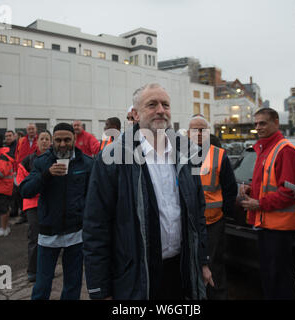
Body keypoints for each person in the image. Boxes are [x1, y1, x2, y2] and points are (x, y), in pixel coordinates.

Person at [83, 83, 212, 300]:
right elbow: (96, 226)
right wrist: (100, 289)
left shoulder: (186, 154)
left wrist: (202, 261)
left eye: (165, 105)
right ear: (135, 114)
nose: (161, 110)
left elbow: (197, 213)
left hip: (179, 271)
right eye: (152, 104)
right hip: (135, 276)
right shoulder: (112, 158)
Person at [20, 123, 94, 300]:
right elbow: (25, 190)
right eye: (58, 140)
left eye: (67, 140)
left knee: (73, 282)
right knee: (43, 283)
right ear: (52, 141)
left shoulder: (87, 163)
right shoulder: (42, 161)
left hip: (76, 232)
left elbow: (93, 196)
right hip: (48, 231)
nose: (62, 144)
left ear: (74, 140)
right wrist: (47, 174)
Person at [239, 107, 295, 300]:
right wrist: (251, 189)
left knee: (279, 278)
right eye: (256, 124)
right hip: (266, 224)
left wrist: (259, 203)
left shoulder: (285, 150)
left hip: (279, 227)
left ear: (276, 123)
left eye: (263, 123)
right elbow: (270, 184)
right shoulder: (264, 148)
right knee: (269, 276)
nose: (258, 127)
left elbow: (289, 192)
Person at [188, 114, 237, 300]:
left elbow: (230, 188)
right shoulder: (180, 155)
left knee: (214, 265)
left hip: (213, 222)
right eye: (194, 130)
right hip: (190, 222)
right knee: (193, 264)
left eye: (202, 129)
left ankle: (217, 296)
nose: (198, 133)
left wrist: (225, 215)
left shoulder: (219, 155)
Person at [16, 130, 52, 283]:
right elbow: (22, 184)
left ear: (51, 142)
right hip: (33, 204)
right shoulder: (27, 161)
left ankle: (47, 269)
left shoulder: (56, 159)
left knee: (51, 237)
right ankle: (32, 271)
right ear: (37, 142)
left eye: (47, 139)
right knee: (35, 237)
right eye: (42, 139)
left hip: (51, 202)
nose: (44, 141)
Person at [15, 123, 38, 224]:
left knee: (33, 193)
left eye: (32, 129)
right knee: (19, 192)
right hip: (22, 170)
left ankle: (32, 214)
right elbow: (17, 155)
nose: (31, 131)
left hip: (34, 170)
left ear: (36, 130)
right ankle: (23, 215)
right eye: (29, 129)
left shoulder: (40, 140)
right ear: (26, 130)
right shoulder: (21, 141)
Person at [4, 130, 20, 218]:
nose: (8, 137)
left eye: (10, 135)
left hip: (15, 173)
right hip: (6, 174)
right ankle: (13, 209)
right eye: (6, 136)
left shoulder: (17, 146)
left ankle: (16, 211)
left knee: (16, 193)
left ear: (14, 136)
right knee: (10, 193)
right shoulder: (5, 147)